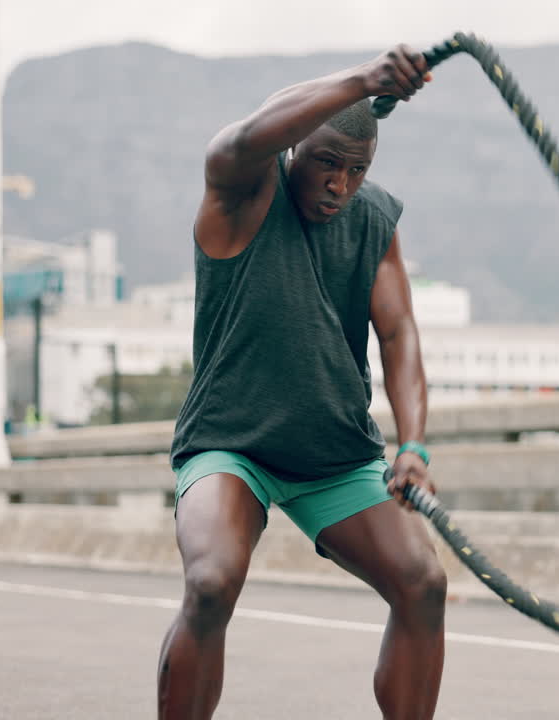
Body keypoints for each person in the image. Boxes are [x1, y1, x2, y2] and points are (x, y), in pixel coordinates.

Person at [158, 44, 445, 720]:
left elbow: (399, 334)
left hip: (335, 454)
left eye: (355, 171)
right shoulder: (242, 191)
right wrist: (363, 80)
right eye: (325, 163)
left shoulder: (372, 218)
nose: (338, 186)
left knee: (422, 583)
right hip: (233, 445)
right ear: (294, 151)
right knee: (211, 581)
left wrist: (413, 447)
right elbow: (248, 135)